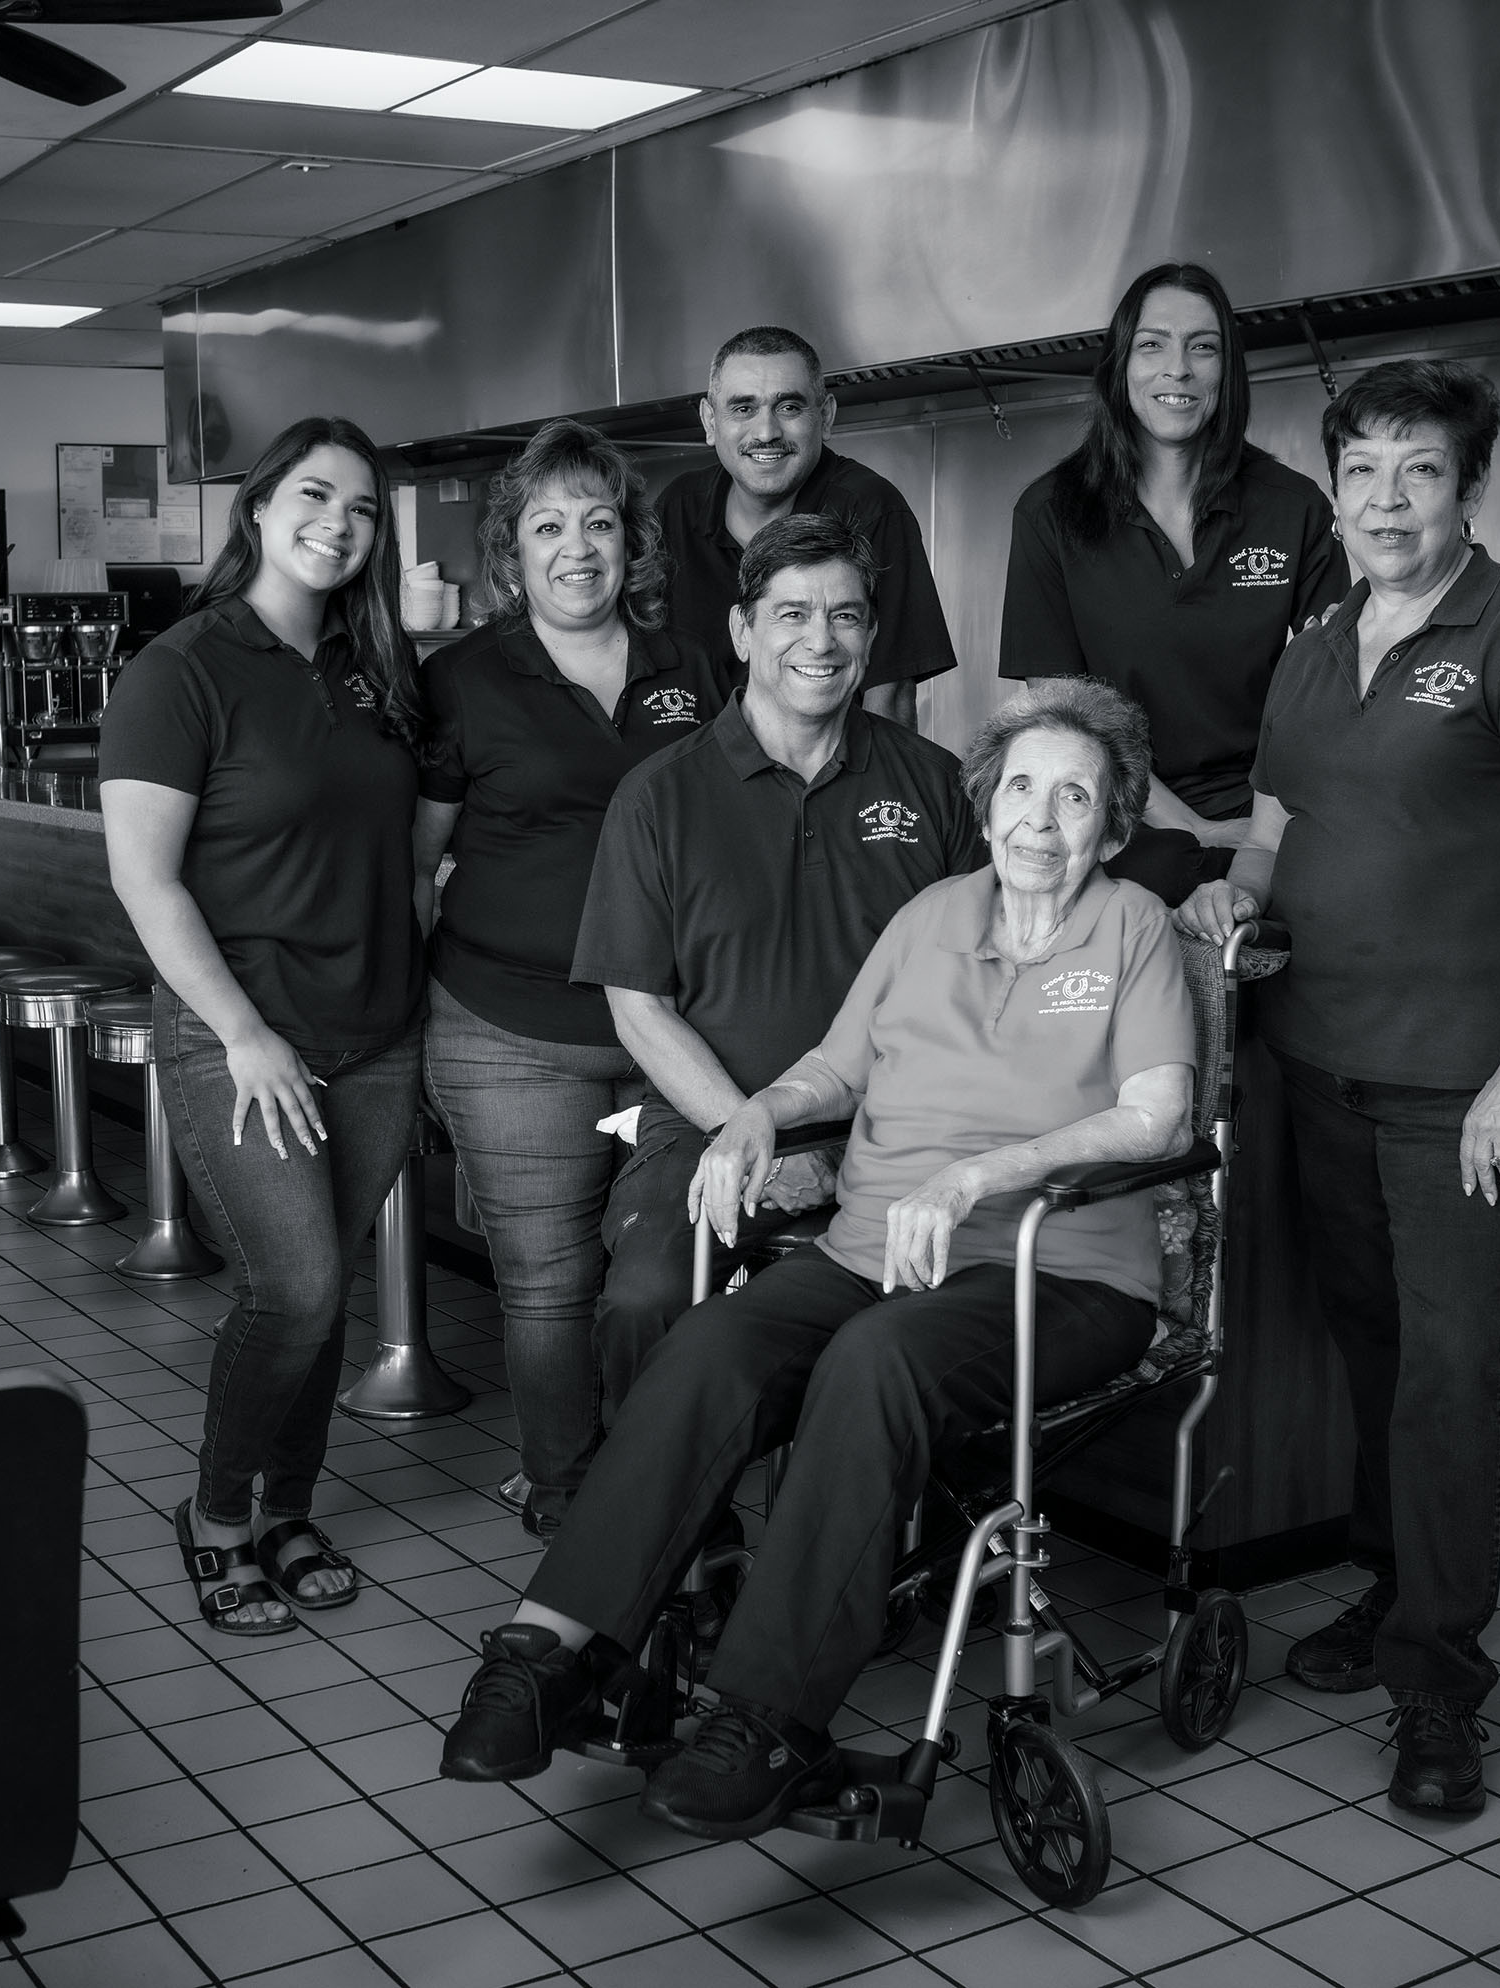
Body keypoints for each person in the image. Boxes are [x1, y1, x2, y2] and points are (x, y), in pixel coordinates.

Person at [441, 678, 1196, 1841]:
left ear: (1114, 821)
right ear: (987, 799)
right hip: (874, 1246)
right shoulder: (932, 913)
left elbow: (1159, 1117)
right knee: (714, 1347)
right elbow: (837, 1070)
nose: (1042, 819)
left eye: (1076, 796)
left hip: (1062, 1273)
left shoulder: (1132, 925)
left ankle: (767, 1714)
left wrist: (977, 1175)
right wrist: (757, 1111)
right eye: (1023, 788)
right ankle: (554, 1649)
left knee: (877, 1358)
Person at [1186, 359, 1500, 1815]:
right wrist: (1229, 906)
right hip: (1315, 1062)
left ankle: (1440, 1684)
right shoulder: (1315, 647)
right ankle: (1392, 1592)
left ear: (1469, 488)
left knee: (1449, 1375)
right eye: (1362, 471)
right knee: (1372, 1352)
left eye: (1419, 471)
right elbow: (1274, 829)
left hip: (1457, 1090)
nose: (1385, 499)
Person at [100, 415, 424, 1636]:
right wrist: (241, 1031)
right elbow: (147, 879)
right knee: (289, 1285)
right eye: (313, 495)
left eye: (362, 507)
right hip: (241, 1034)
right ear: (257, 507)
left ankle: (289, 1507)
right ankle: (218, 1513)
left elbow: (407, 838)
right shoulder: (180, 670)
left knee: (329, 1291)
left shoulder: (374, 665)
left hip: (378, 1032)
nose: (337, 524)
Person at [572, 511, 981, 1408]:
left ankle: (875, 1524)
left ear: (871, 636)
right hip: (707, 1122)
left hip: (895, 1129)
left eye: (845, 616)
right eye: (792, 614)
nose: (820, 641)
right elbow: (639, 1006)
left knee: (927, 1320)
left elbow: (979, 983)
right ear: (743, 630)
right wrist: (745, 1130)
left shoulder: (935, 783)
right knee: (644, 1300)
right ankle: (689, 1533)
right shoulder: (660, 795)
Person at [415, 420, 726, 1537]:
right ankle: (567, 1496)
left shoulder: (696, 667)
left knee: (662, 1275)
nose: (577, 547)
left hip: (675, 1029)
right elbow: (418, 855)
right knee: (548, 1287)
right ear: (513, 552)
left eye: (599, 522)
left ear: (631, 541)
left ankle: (662, 1488)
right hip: (506, 1025)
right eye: (550, 525)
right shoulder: (459, 678)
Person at [1000, 261, 1347, 913]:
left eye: (1203, 346)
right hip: (1121, 824)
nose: (1178, 369)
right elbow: (1061, 714)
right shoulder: (1049, 515)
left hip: (1278, 822)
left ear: (1228, 370)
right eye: (1153, 344)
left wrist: (1261, 836)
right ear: (1120, 366)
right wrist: (1197, 828)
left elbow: (1334, 695)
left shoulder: (1292, 508)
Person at [657, 325, 957, 729]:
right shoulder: (676, 509)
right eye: (743, 408)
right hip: (704, 778)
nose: (766, 433)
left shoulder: (871, 510)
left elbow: (891, 698)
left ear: (826, 416)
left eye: (789, 408)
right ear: (710, 421)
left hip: (833, 780)